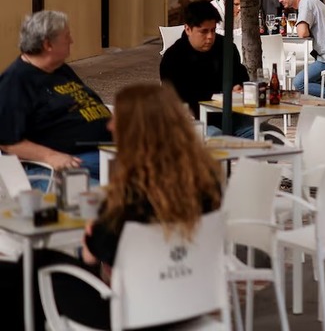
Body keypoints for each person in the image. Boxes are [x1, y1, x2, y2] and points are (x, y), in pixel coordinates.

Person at [1, 84, 223, 329]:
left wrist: (92, 231)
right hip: (189, 304)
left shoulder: (128, 199)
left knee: (29, 265)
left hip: (129, 315)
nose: (110, 125)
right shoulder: (207, 185)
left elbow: (90, 255)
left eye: (117, 119)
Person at [0, 10, 111, 183]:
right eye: (67, 36)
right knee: (114, 202)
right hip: (67, 164)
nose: (71, 41)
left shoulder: (60, 69)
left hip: (105, 153)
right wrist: (51, 156)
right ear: (48, 45)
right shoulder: (15, 81)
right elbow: (8, 141)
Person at [159, 0, 252, 137]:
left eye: (213, 30)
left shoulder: (225, 47)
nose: (209, 37)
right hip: (195, 121)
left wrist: (239, 87)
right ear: (188, 29)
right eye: (203, 31)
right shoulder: (173, 58)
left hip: (232, 116)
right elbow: (176, 100)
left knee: (259, 135)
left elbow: (240, 76)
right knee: (217, 139)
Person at [277, 0, 325, 98]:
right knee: (311, 82)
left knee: (299, 83)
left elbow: (302, 33)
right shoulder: (311, 1)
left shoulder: (306, 1)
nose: (280, 0)